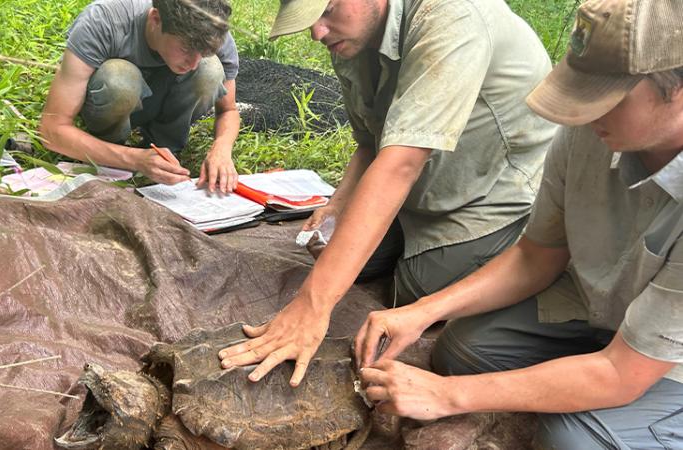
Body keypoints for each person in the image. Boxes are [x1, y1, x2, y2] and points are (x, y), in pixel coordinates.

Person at [352, 0, 683, 447]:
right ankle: (577, 372)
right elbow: (535, 256)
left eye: (604, 96)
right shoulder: (587, 129)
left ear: (676, 87)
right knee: (463, 349)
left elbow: (621, 373)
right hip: (606, 309)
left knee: (570, 438)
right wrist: (422, 311)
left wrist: (449, 396)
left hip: (666, 359)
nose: (584, 112)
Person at [218, 0, 557, 386]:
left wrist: (312, 306)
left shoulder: (451, 18)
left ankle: (520, 257)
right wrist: (341, 201)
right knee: (337, 254)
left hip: (496, 193)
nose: (317, 32)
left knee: (416, 286)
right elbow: (370, 142)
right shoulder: (352, 35)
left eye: (327, 10)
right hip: (426, 185)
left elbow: (401, 164)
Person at [39, 0, 240, 192]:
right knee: (119, 79)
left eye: (203, 52)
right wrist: (134, 159)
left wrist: (222, 148)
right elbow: (52, 130)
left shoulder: (211, 33)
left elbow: (228, 110)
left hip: (163, 100)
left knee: (211, 70)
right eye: (186, 49)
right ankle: (110, 150)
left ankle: (166, 150)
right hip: (114, 99)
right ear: (155, 20)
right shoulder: (103, 21)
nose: (193, 63)